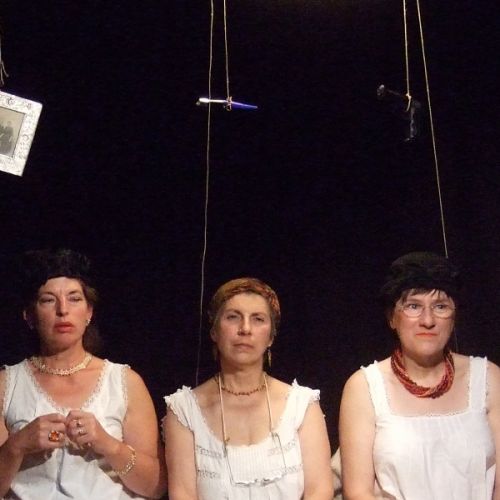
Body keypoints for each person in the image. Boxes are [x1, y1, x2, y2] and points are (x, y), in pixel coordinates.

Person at [0, 249, 167, 499]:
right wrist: (17, 446)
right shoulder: (7, 384)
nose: (63, 310)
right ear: (30, 315)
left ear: (89, 312)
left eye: (74, 299)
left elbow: (155, 486)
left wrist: (108, 444)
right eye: (48, 300)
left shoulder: (123, 381)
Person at [339, 251, 500, 499]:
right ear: (392, 318)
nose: (427, 320)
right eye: (413, 306)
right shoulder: (364, 387)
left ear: (454, 317)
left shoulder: (488, 378)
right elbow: (358, 492)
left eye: (440, 307)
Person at [163, 277, 333, 499]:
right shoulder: (184, 411)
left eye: (258, 319)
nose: (245, 329)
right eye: (233, 317)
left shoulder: (302, 405)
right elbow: (183, 494)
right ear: (214, 331)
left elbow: (319, 491)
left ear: (271, 337)